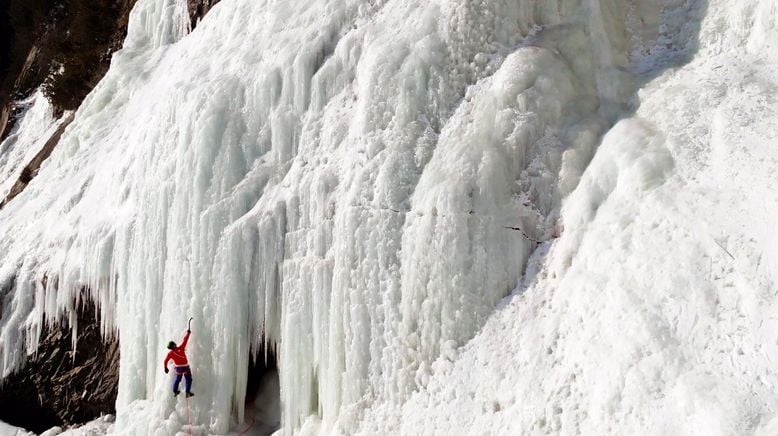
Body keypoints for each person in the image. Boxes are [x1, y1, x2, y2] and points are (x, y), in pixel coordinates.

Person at [164, 329, 194, 397]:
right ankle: (187, 392)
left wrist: (165, 368)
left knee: (178, 379)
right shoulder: (181, 348)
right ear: (174, 345)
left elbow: (165, 360)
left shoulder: (170, 353)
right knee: (188, 379)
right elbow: (185, 340)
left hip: (178, 368)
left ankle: (175, 391)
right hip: (185, 367)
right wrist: (188, 333)